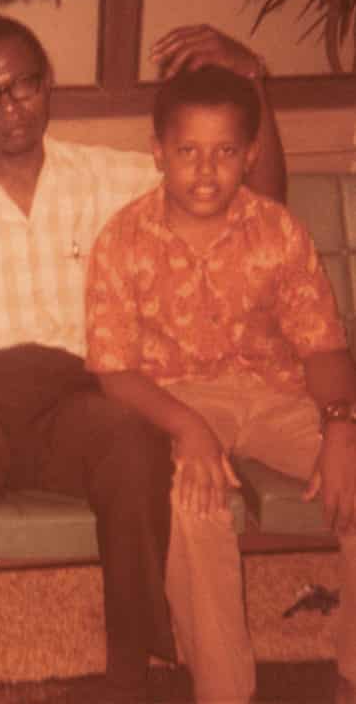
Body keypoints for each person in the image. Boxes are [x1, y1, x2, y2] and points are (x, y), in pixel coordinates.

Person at [0, 15, 286, 703]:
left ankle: (130, 672)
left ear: (49, 85)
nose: (8, 107)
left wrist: (255, 81)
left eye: (23, 85)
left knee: (133, 441)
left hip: (76, 394)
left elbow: (262, 203)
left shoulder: (112, 175)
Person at [85, 65, 356, 704]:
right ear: (158, 151)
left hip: (275, 394)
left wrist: (341, 425)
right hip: (174, 399)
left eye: (225, 152)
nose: (206, 172)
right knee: (195, 503)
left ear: (251, 154)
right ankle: (226, 692)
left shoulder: (278, 230)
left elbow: (322, 344)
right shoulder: (123, 239)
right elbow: (111, 370)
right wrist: (188, 428)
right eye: (188, 152)